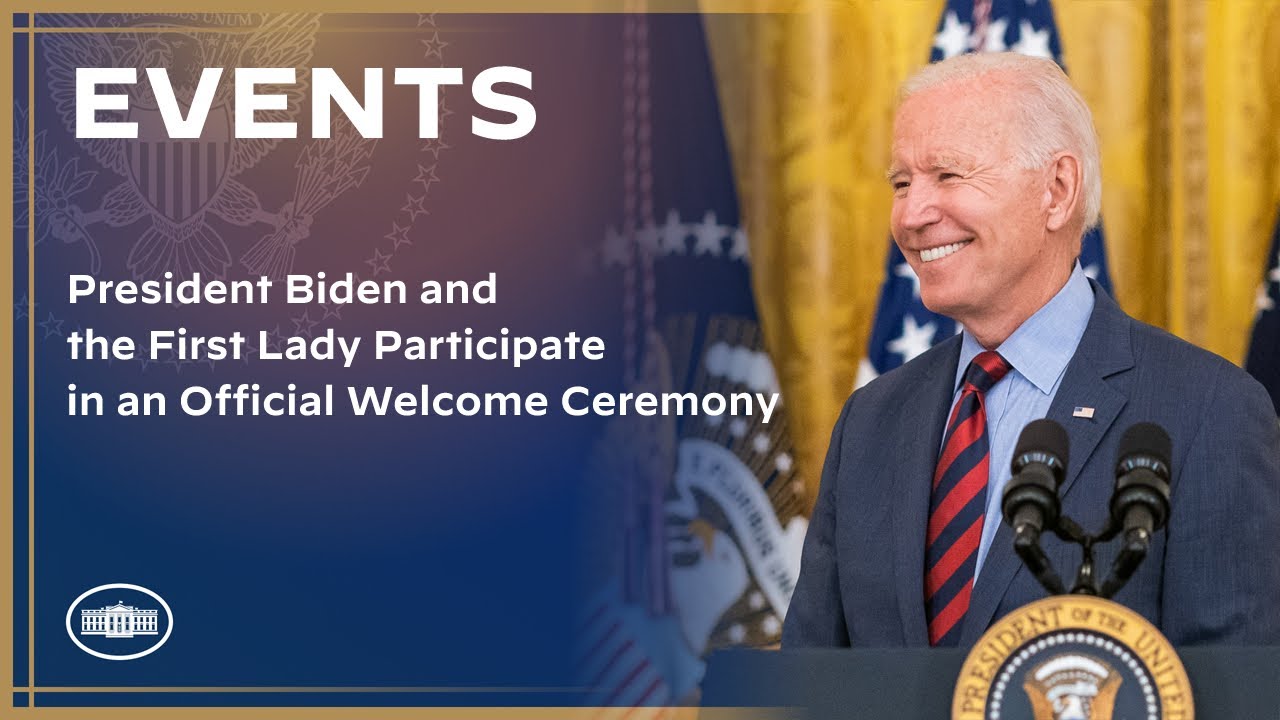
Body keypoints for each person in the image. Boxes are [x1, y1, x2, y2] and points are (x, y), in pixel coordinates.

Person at [782, 52, 1280, 649]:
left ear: (1057, 191)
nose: (912, 215)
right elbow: (809, 681)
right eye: (901, 183)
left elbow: (1235, 691)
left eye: (948, 175)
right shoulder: (870, 420)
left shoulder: (1210, 413)